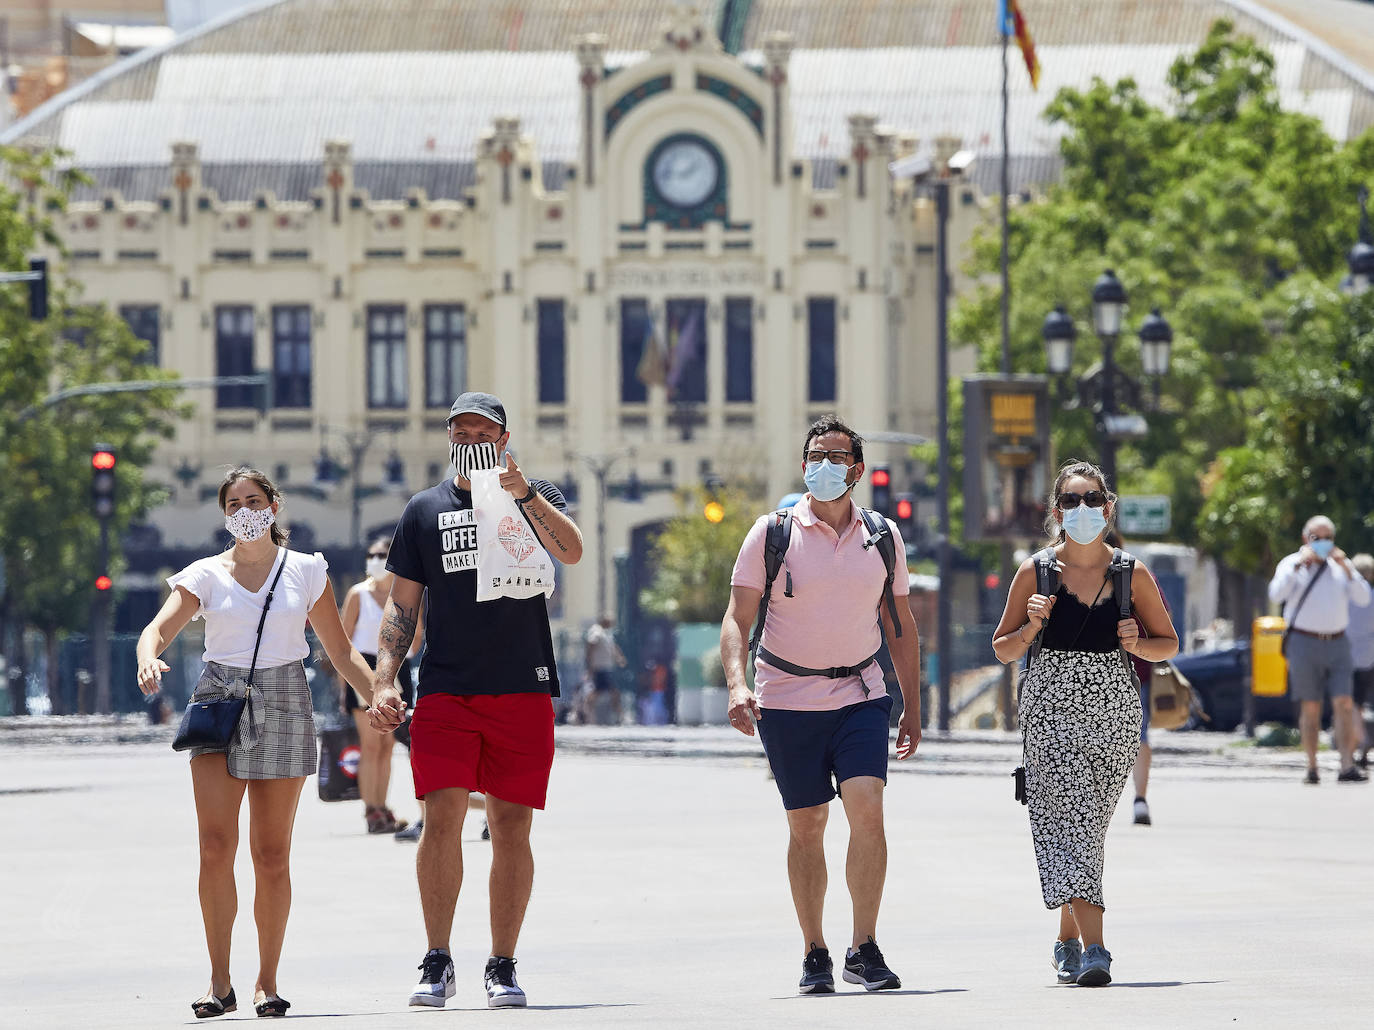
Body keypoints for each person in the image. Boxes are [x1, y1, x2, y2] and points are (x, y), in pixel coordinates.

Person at [135, 466, 379, 1019]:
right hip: (220, 702)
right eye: (233, 503)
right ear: (225, 516)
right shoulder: (205, 574)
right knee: (215, 849)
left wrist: (377, 696)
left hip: (286, 700)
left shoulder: (306, 571)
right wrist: (148, 657)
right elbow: (157, 629)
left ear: (274, 505)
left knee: (271, 855)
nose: (244, 509)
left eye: (253, 498)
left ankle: (266, 982)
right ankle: (219, 982)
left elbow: (341, 653)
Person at [368, 391, 583, 1009]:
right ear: (449, 436)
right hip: (447, 687)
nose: (472, 435)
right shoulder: (424, 510)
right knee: (442, 819)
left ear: (504, 436)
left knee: (511, 826)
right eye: (461, 427)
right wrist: (385, 678)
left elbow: (569, 550)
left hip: (523, 682)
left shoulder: (535, 494)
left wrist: (525, 494)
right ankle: (437, 959)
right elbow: (402, 604)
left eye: (484, 428)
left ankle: (502, 963)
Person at [719, 414, 921, 996]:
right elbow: (737, 618)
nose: (824, 466)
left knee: (868, 806)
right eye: (815, 455)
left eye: (836, 457)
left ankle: (864, 945)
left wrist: (911, 704)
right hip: (786, 699)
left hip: (861, 694)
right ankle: (815, 949)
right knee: (807, 823)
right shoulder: (771, 532)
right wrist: (738, 685)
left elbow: (900, 625)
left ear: (858, 470)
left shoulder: (882, 535)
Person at [992, 460, 1177, 988]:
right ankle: (1096, 949)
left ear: (1108, 507)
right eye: (1071, 501)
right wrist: (1032, 624)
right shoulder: (1036, 571)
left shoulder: (1130, 574)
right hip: (1049, 708)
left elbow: (1170, 641)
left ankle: (1067, 940)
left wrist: (1138, 643)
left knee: (1085, 829)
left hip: (1114, 711)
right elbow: (1003, 650)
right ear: (1056, 512)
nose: (1082, 510)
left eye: (1092, 499)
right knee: (1071, 826)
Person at [1267, 516, 1372, 784]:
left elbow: (1363, 597)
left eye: (1328, 537)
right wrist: (1300, 566)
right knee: (1311, 707)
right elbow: (1276, 594)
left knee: (1345, 703)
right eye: (1317, 537)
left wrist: (1346, 568)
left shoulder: (1342, 566)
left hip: (1338, 641)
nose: (1323, 542)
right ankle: (1312, 766)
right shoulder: (1292, 564)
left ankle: (1346, 765)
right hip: (1304, 642)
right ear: (1306, 539)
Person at [340, 535, 423, 835]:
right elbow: (343, 640)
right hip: (364, 667)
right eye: (371, 555)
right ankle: (371, 808)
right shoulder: (357, 594)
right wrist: (343, 685)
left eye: (382, 555)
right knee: (371, 744)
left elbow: (417, 635)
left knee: (389, 744)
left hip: (397, 666)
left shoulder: (405, 594)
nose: (375, 560)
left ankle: (383, 806)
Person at [1105, 530, 1165, 827]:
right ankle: (1139, 800)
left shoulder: (1136, 576)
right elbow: (1164, 624)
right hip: (1137, 672)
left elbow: (1166, 634)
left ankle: (1108, 802)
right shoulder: (1142, 575)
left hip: (1130, 673)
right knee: (1138, 736)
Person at [1349, 554, 1374, 767]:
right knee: (1361, 703)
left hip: (1348, 658)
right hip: (1370, 658)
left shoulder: (1346, 597)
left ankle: (1362, 739)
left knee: (1352, 705)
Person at [582, 615, 626, 724]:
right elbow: (590, 646)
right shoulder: (596, 631)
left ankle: (619, 716)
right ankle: (586, 710)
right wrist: (590, 666)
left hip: (606, 667)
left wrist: (619, 658)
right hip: (599, 667)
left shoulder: (606, 633)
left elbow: (612, 647)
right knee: (608, 691)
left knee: (606, 691)